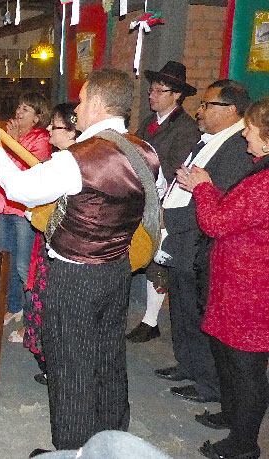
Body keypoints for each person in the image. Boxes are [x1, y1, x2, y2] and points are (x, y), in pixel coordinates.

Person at [0, 69, 162, 451]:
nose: (77, 108)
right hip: (118, 269)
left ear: (96, 103)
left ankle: (73, 450)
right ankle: (112, 441)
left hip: (75, 276)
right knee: (108, 359)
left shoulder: (80, 157)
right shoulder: (146, 151)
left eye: (81, 101)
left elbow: (20, 190)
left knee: (70, 367)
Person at [174, 97, 269, 459]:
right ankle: (232, 415)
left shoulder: (264, 182)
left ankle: (244, 444)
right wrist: (207, 187)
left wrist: (202, 187)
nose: (245, 134)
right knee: (229, 359)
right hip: (236, 284)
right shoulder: (259, 170)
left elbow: (216, 223)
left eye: (251, 129)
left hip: (251, 291)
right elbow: (232, 212)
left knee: (246, 370)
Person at [158, 79, 254, 404]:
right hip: (182, 237)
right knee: (182, 308)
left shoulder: (238, 147)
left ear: (230, 110)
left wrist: (175, 217)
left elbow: (220, 195)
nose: (200, 111)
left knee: (198, 312)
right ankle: (188, 365)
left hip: (200, 241)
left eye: (207, 105)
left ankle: (208, 381)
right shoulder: (209, 140)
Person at [127, 61, 202, 343]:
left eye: (160, 91)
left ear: (177, 95)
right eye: (152, 90)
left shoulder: (185, 128)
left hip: (165, 202)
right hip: (141, 196)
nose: (152, 95)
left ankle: (151, 320)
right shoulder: (150, 121)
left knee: (158, 259)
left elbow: (174, 168)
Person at [0, 92, 51, 332]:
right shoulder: (9, 135)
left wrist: (10, 143)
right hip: (4, 206)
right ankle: (15, 307)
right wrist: (3, 142)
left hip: (25, 210)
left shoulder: (42, 138)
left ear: (37, 117)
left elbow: (27, 170)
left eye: (26, 109)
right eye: (19, 107)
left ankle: (32, 319)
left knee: (25, 266)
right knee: (8, 262)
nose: (19, 112)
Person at [26, 103, 80, 385]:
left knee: (54, 307)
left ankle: (57, 366)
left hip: (62, 246)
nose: (48, 128)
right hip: (47, 240)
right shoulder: (56, 160)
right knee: (42, 300)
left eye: (55, 125)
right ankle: (50, 362)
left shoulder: (72, 164)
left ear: (72, 132)